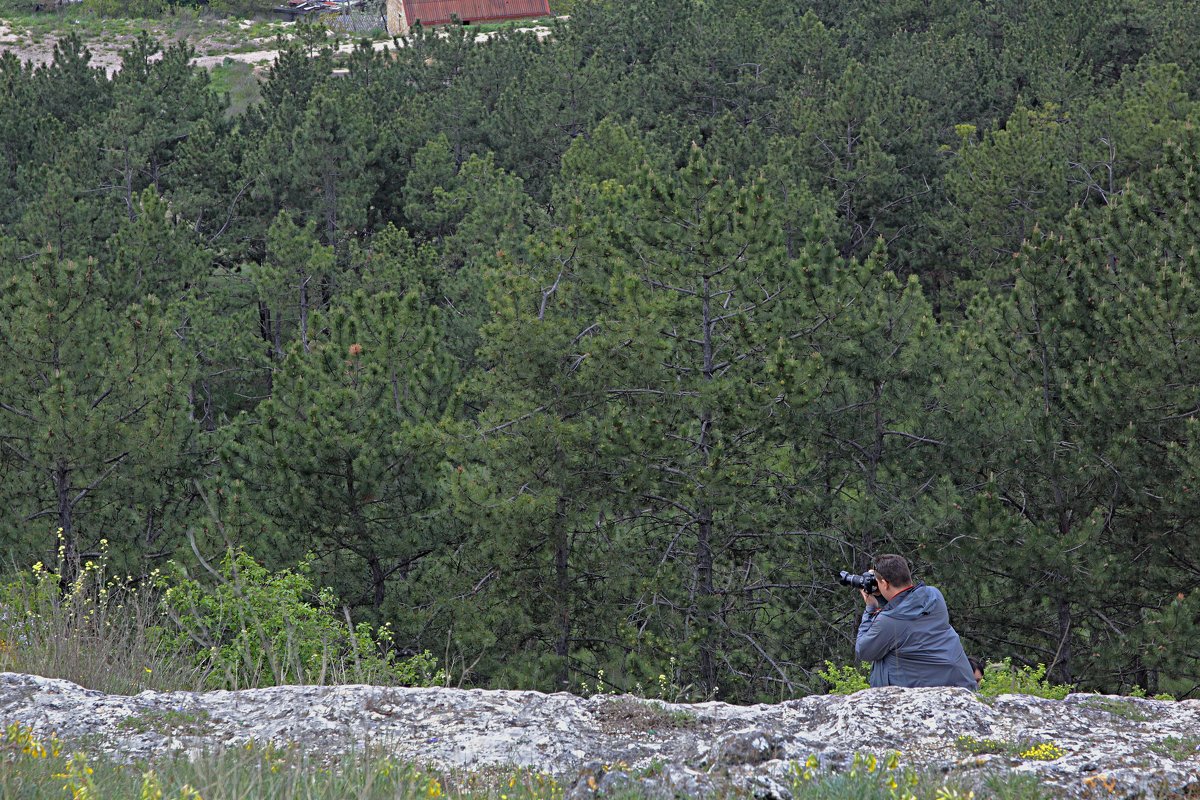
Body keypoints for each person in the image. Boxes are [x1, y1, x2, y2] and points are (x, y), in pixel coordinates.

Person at [854, 554, 977, 689]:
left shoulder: (889, 622)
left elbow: (864, 651)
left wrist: (870, 608)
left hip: (920, 697)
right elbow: (904, 606)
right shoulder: (934, 595)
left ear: (884, 583)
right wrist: (881, 596)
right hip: (959, 685)